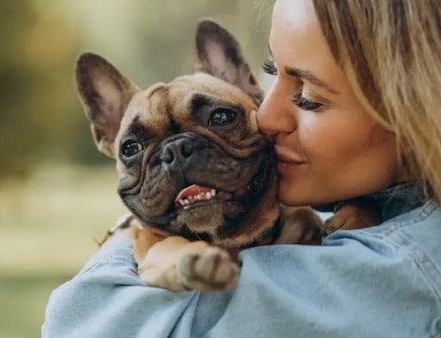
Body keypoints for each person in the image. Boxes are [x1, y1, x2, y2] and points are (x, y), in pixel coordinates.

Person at [42, 0, 441, 337]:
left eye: (309, 96)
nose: (265, 117)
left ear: (413, 107)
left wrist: (126, 240)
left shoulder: (403, 267)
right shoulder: (346, 211)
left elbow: (81, 322)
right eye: (272, 74)